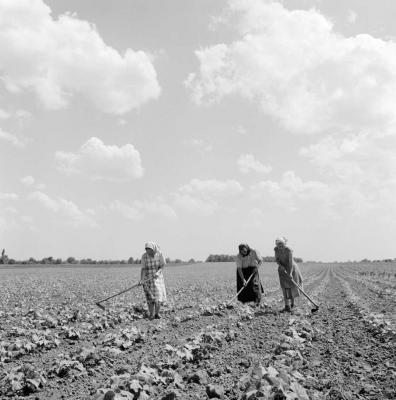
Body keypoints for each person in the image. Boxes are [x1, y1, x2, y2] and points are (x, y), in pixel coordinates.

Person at [274, 237, 303, 312]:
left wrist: (290, 273)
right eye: (279, 245)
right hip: (282, 270)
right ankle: (287, 306)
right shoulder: (276, 249)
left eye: (282, 245)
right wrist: (281, 265)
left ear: (284, 244)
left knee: (292, 286)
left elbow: (290, 263)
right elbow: (277, 259)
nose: (280, 247)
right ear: (277, 245)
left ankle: (293, 304)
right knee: (284, 287)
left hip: (292, 269)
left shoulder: (289, 250)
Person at [140, 242, 167, 319]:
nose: (148, 251)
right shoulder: (144, 256)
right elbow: (143, 268)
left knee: (158, 297)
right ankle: (151, 314)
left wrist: (158, 272)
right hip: (147, 279)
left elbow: (163, 265)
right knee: (150, 298)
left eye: (149, 249)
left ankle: (157, 314)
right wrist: (142, 280)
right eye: (147, 249)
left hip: (157, 278)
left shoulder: (159, 254)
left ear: (153, 248)